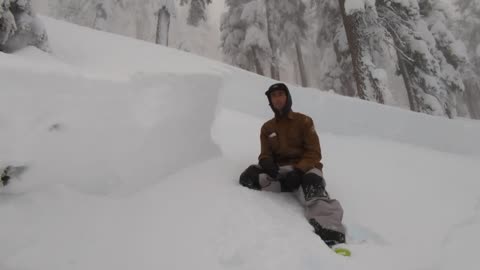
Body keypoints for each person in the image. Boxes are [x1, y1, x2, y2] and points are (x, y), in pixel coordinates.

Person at [239, 83, 346, 247]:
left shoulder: (304, 121)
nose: (277, 98)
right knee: (249, 177)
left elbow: (314, 153)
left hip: (307, 168)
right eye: (273, 96)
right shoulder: (267, 128)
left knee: (312, 186)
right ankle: (288, 185)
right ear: (270, 101)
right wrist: (266, 162)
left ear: (287, 97)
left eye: (281, 94)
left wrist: (298, 171)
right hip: (282, 170)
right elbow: (265, 153)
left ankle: (331, 232)